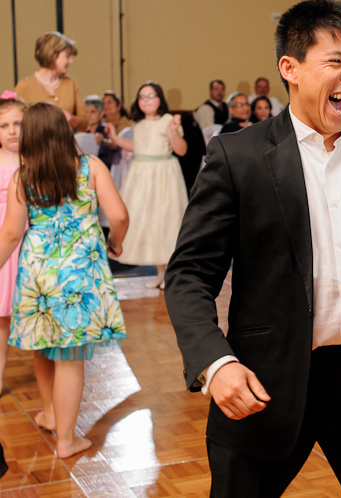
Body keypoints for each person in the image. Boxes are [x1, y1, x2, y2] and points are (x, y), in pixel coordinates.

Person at [164, 1, 341, 496]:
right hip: (265, 376)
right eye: (336, 61)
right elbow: (189, 275)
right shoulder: (240, 158)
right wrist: (217, 363)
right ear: (290, 69)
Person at [0, 102, 128, 458]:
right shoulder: (90, 168)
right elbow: (117, 215)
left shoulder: (22, 177)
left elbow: (10, 234)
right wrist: (114, 242)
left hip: (39, 273)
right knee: (70, 357)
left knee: (45, 345)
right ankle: (67, 440)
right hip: (80, 273)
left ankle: (53, 414)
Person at [108, 81, 188, 289]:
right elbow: (138, 147)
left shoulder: (168, 120)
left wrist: (173, 131)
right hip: (142, 175)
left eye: (151, 96)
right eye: (142, 97)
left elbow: (181, 150)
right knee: (149, 221)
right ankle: (160, 271)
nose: (146, 100)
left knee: (165, 220)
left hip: (163, 175)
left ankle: (171, 272)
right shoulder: (139, 124)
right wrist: (115, 138)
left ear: (160, 99)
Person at [0, 92, 26, 391]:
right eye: (4, 125)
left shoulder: (33, 160)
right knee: (1, 319)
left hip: (29, 242)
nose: (11, 131)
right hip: (3, 242)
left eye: (17, 124)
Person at [14, 32, 87, 131]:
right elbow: (13, 121)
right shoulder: (23, 86)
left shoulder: (71, 84)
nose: (71, 61)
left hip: (65, 145)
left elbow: (84, 124)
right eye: (67, 56)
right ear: (53, 55)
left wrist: (71, 119)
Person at [97, 91, 134, 169]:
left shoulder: (130, 126)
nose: (106, 106)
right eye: (103, 103)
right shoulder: (98, 125)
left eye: (109, 102)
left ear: (119, 106)